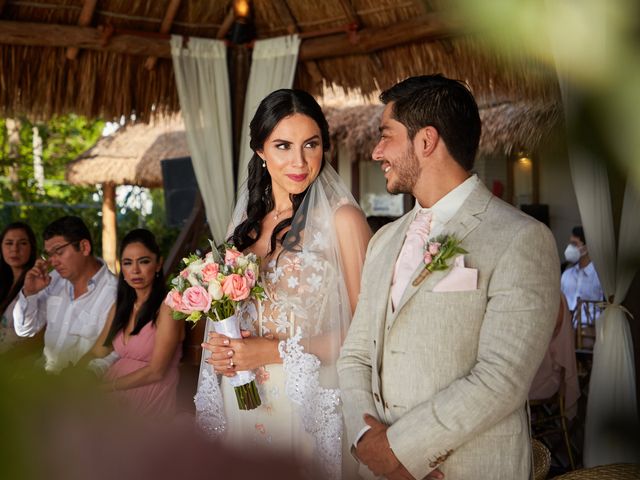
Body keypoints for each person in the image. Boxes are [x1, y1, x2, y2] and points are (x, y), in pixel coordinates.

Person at [337, 75, 560, 480]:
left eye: (386, 135)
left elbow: (501, 377)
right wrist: (367, 441)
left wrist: (404, 452)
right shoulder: (383, 240)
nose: (376, 152)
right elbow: (355, 355)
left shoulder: (522, 238)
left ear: (426, 141)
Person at [196, 89, 371, 479]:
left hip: (306, 403)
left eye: (311, 144)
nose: (299, 161)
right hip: (242, 400)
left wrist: (271, 352)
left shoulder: (343, 221)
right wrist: (226, 351)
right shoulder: (243, 230)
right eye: (283, 146)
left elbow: (367, 336)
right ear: (260, 151)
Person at [81, 229, 184, 418]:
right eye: (128, 263)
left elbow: (157, 371)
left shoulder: (168, 307)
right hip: (113, 388)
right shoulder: (120, 307)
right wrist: (75, 373)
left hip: (149, 391)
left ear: (158, 264)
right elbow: (99, 350)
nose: (135, 270)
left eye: (143, 261)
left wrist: (107, 387)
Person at [13, 216, 117, 373]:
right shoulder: (53, 279)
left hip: (78, 387)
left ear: (84, 247)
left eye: (59, 252)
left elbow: (116, 352)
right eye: (49, 254)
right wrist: (30, 292)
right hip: (41, 376)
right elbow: (25, 330)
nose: (53, 262)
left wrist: (81, 379)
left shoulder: (114, 292)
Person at [0, 222, 38, 353]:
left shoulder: (38, 284)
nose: (15, 249)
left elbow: (37, 338)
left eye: (22, 243)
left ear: (31, 247)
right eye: (9, 243)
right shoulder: (4, 282)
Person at [561, 226, 604, 319]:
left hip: (591, 330)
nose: (570, 248)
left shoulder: (599, 277)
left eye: (574, 244)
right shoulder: (566, 275)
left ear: (586, 248)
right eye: (570, 243)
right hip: (566, 330)